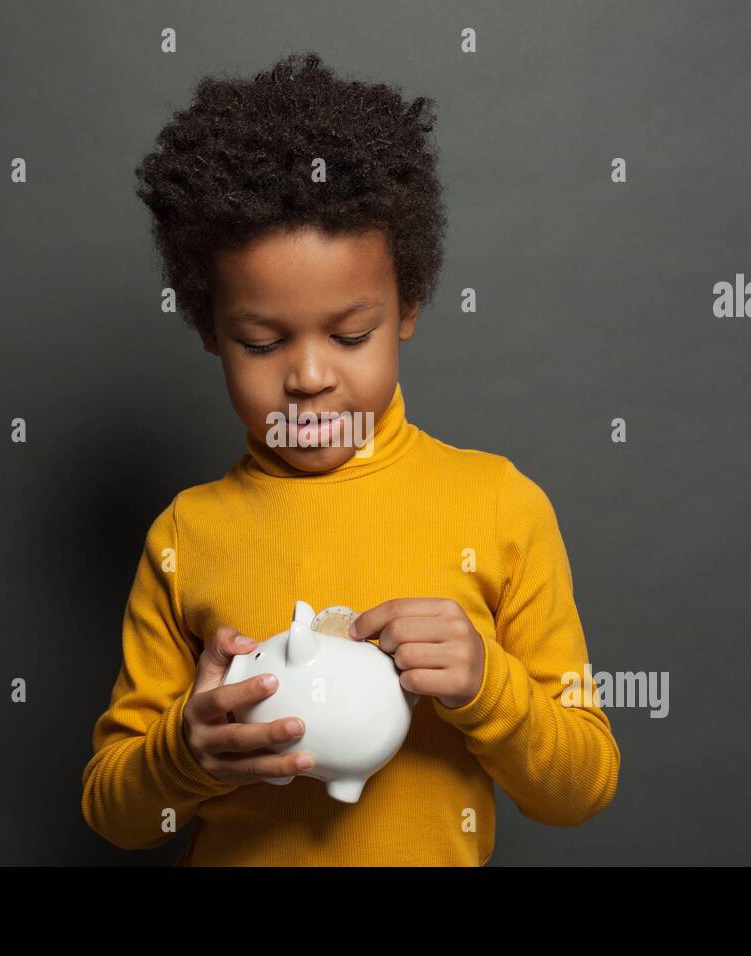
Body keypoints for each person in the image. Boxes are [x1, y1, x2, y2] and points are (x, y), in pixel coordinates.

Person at [81, 51, 619, 865]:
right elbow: (113, 812)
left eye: (349, 335)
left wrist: (486, 685)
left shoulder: (500, 506)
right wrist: (184, 755)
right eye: (260, 342)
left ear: (409, 304)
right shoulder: (184, 535)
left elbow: (581, 788)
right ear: (207, 330)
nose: (308, 377)